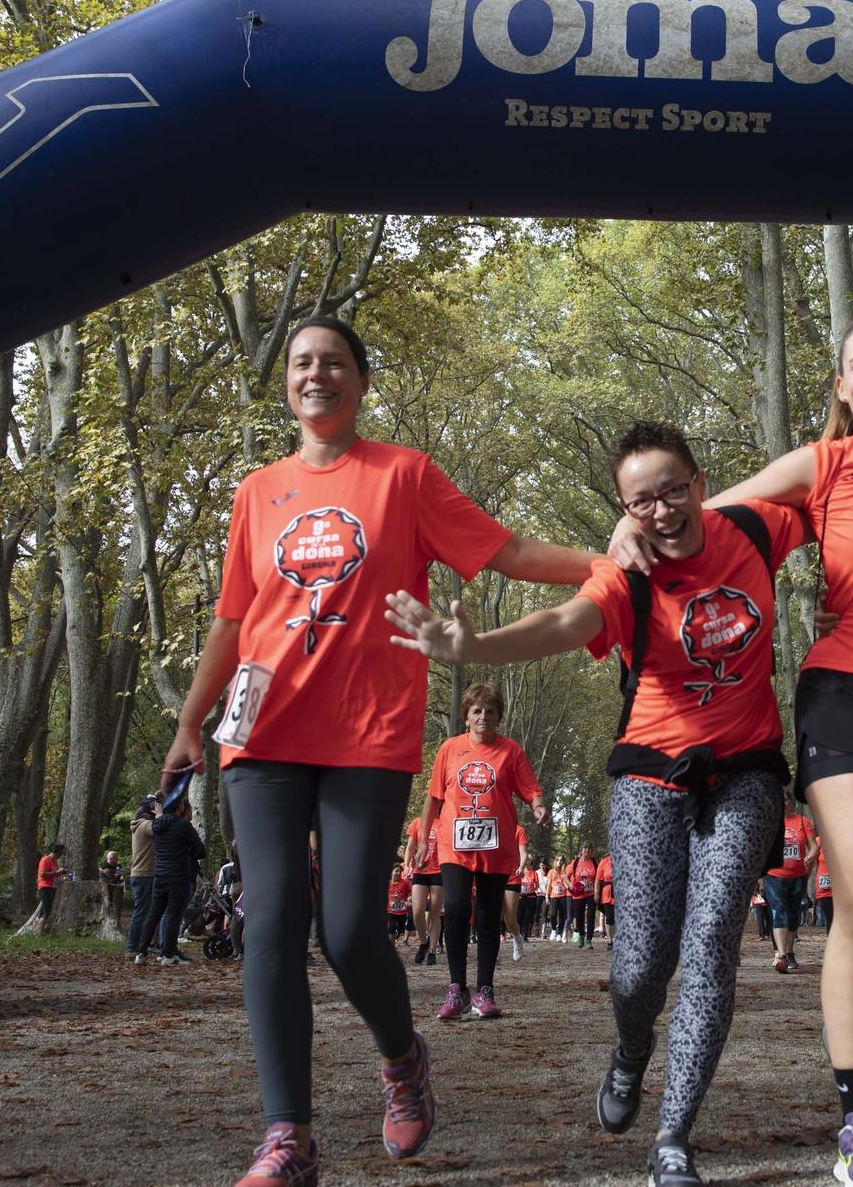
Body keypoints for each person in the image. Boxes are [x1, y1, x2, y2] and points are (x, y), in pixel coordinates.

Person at [159, 315, 594, 1184]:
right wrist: (188, 724)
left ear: (361, 380)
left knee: (353, 928)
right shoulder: (257, 491)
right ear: (287, 382)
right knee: (272, 920)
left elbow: (503, 548)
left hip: (366, 732)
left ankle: (403, 1059)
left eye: (333, 362)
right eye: (301, 363)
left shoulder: (403, 476)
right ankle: (289, 1137)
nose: (316, 374)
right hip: (264, 733)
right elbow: (232, 620)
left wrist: (605, 563)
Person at [611, 316, 853, 1187]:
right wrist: (626, 535)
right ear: (840, 384)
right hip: (848, 692)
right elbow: (704, 512)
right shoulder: (820, 465)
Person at [385, 419, 808, 1187]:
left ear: (701, 484)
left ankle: (674, 1134)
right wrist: (471, 647)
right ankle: (632, 1048)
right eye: (641, 500)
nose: (663, 509)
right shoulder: (625, 577)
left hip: (746, 768)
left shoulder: (755, 529)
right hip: (648, 774)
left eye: (674, 489)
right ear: (624, 509)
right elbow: (562, 621)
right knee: (639, 967)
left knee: (713, 937)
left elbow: (836, 482)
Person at [424, 682, 546, 1020]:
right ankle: (456, 989)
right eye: (477, 711)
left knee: (489, 916)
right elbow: (434, 797)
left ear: (498, 717)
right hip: (454, 844)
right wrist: (423, 839)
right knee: (458, 907)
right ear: (466, 717)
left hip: (495, 846)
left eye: (490, 711)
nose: (483, 717)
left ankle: (485, 991)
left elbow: (530, 788)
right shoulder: (449, 749)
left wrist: (538, 806)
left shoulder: (511, 751)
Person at [762, 796, 817, 973]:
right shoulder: (769, 822)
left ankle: (790, 951)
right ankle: (782, 955)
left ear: (792, 802)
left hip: (798, 876)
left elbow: (814, 845)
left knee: (792, 916)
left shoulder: (802, 820)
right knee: (778, 911)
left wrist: (812, 855)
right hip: (774, 875)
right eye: (781, 799)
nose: (783, 803)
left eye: (786, 799)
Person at [149, 795, 205, 965]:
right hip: (180, 874)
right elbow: (200, 850)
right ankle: (168, 950)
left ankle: (159, 949)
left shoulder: (161, 826)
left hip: (164, 874)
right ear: (182, 810)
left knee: (164, 913)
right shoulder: (182, 827)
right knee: (173, 914)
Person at [406, 809, 445, 966]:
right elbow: (410, 847)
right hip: (420, 870)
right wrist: (406, 865)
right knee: (417, 912)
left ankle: (432, 952)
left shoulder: (444, 823)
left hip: (438, 871)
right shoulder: (416, 822)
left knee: (435, 912)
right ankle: (424, 943)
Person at [127, 795, 159, 962]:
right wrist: (161, 814)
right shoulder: (146, 824)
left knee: (149, 912)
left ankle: (146, 944)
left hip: (144, 874)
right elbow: (160, 828)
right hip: (144, 874)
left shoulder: (141, 824)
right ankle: (132, 947)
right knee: (141, 912)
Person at [564, 844, 599, 949]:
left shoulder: (594, 862)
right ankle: (581, 935)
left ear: (592, 851)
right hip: (578, 894)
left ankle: (589, 940)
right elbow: (565, 877)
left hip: (591, 893)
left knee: (591, 916)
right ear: (581, 850)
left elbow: (598, 878)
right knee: (579, 917)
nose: (587, 850)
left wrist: (597, 892)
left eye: (589, 848)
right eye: (585, 848)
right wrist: (570, 886)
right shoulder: (575, 862)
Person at [505, 827, 530, 962]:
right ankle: (492, 950)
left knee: (509, 919)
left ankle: (517, 938)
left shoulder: (518, 830)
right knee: (492, 917)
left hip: (512, 877)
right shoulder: (492, 825)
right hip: (493, 875)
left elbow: (524, 853)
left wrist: (521, 867)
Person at [34, 843, 69, 934]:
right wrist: (58, 872)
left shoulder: (54, 862)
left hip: (52, 887)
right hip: (44, 887)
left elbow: (55, 874)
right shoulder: (45, 860)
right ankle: (39, 933)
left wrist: (62, 875)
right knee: (47, 911)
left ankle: (40, 930)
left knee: (44, 910)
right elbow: (42, 874)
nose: (60, 856)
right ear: (55, 852)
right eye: (60, 854)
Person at [387, 862, 414, 941]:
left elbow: (410, 892)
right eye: (396, 871)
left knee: (401, 929)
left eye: (400, 872)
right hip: (391, 911)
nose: (398, 873)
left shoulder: (404, 883)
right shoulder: (388, 883)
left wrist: (410, 898)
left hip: (402, 912)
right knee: (391, 928)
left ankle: (398, 933)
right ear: (392, 872)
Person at [595, 848, 616, 949]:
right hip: (607, 893)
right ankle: (610, 940)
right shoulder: (604, 861)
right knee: (609, 917)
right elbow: (598, 880)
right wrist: (596, 893)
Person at [813, 846, 834, 931]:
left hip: (841, 885)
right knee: (830, 917)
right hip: (825, 886)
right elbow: (812, 861)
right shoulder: (819, 841)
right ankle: (831, 940)